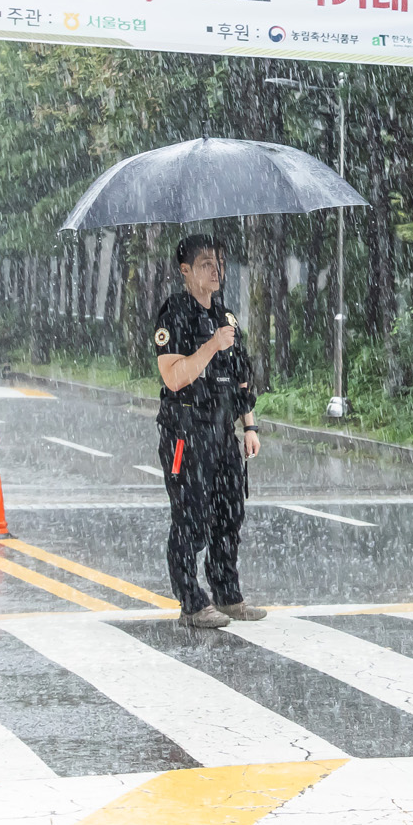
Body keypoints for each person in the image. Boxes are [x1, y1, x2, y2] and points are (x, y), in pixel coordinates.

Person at [154, 234, 265, 629]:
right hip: (186, 430)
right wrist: (211, 347)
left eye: (218, 261)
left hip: (222, 432)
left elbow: (241, 378)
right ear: (185, 271)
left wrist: (248, 425)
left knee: (228, 514)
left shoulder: (226, 317)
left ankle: (227, 593)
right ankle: (191, 601)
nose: (215, 269)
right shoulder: (174, 314)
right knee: (191, 517)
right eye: (205, 263)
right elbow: (173, 377)